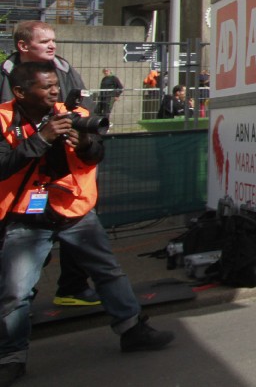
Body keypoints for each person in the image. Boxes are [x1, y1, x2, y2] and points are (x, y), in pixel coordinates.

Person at [0, 61, 174, 385]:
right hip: (27, 215)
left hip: (74, 208)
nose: (55, 91)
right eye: (46, 86)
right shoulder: (4, 118)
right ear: (20, 92)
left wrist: (83, 144)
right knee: (15, 290)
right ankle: (12, 357)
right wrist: (41, 139)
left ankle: (132, 330)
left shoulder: (71, 113)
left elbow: (96, 155)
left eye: (56, 84)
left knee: (108, 271)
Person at [0, 21, 99, 309]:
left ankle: (73, 287)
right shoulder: (5, 74)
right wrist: (36, 138)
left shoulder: (65, 69)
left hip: (64, 173)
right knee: (22, 247)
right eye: (45, 41)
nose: (52, 45)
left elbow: (84, 108)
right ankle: (18, 303)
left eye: (53, 40)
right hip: (19, 177)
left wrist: (82, 136)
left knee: (79, 233)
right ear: (23, 46)